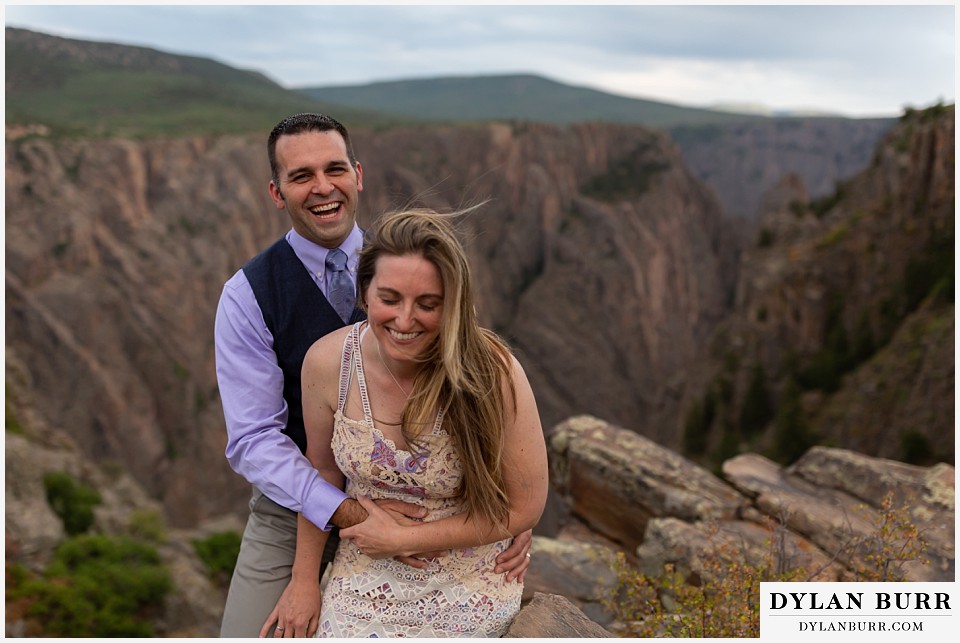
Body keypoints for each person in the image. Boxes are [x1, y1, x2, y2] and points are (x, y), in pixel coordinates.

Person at [214, 113, 533, 638]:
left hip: (429, 505)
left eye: (334, 169)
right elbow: (253, 439)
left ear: (357, 175)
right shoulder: (248, 295)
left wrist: (511, 517)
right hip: (297, 507)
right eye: (301, 176)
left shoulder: (412, 262)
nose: (322, 188)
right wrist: (345, 512)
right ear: (277, 192)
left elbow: (480, 390)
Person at [284, 207, 549, 637]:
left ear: (454, 305)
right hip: (363, 574)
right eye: (390, 299)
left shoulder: (493, 372)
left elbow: (524, 505)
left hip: (469, 579)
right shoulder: (328, 363)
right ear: (364, 292)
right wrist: (303, 582)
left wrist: (404, 539)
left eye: (428, 304)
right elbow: (322, 474)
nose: (405, 321)